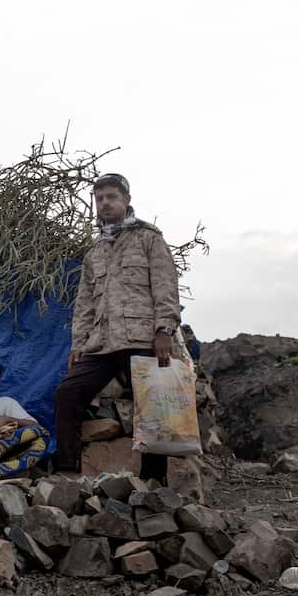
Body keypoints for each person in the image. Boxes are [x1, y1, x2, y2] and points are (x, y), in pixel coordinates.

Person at [54, 173, 180, 474]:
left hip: (141, 338)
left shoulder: (149, 238)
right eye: (99, 199)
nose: (105, 203)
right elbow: (84, 303)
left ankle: (153, 483)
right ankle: (68, 473)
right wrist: (78, 343)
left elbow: (165, 286)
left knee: (149, 404)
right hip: (101, 343)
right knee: (67, 393)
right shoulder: (94, 251)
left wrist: (165, 330)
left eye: (111, 197)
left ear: (127, 200)